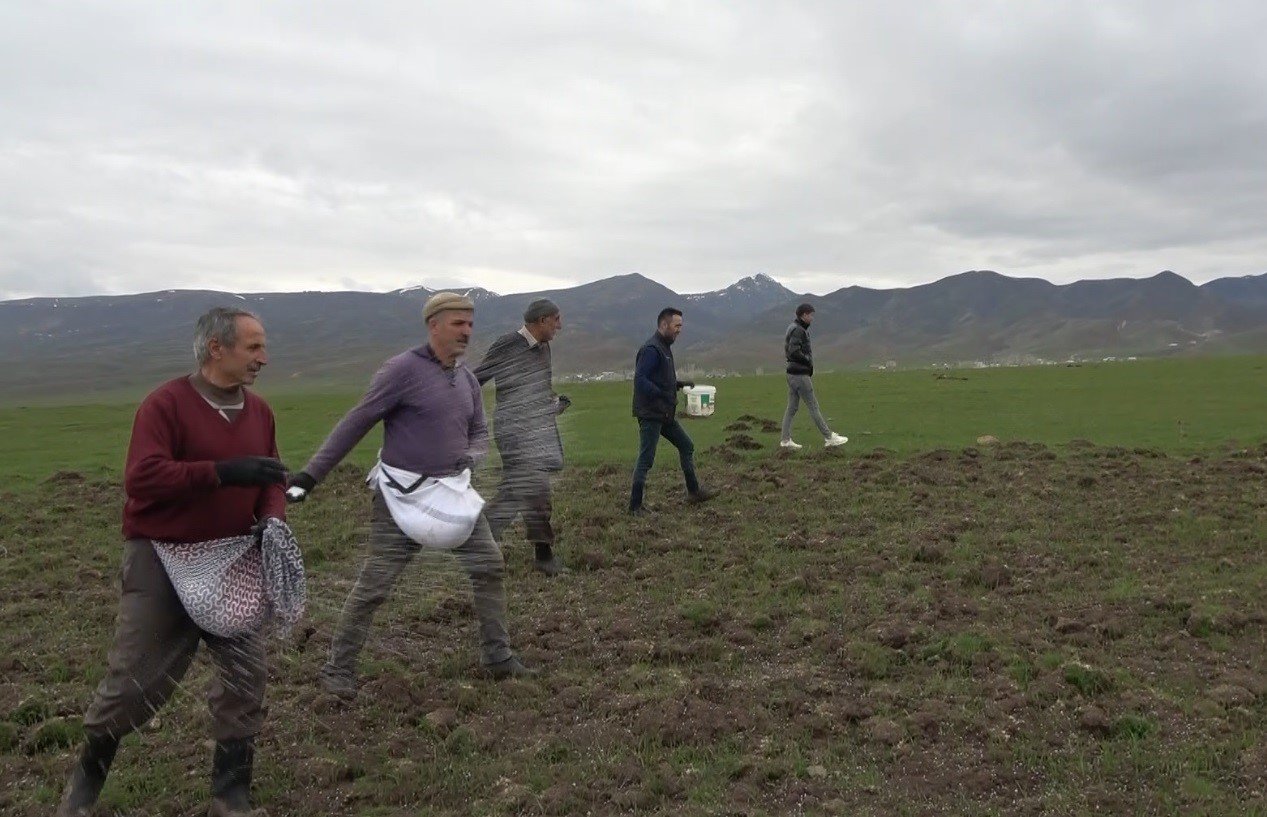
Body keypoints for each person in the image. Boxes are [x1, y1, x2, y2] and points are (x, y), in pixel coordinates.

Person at [57, 307, 286, 817]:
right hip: (161, 556)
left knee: (246, 676)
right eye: (253, 348)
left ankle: (230, 798)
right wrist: (222, 473)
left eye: (262, 347)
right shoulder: (165, 405)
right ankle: (80, 797)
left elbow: (271, 476)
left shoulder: (261, 412)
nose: (263, 359)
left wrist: (272, 520)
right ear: (216, 349)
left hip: (232, 558)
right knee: (133, 678)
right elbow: (142, 478)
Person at [287, 292, 533, 697]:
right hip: (399, 498)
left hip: (452, 496)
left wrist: (471, 457)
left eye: (470, 324)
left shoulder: (467, 379)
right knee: (375, 584)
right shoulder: (401, 370)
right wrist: (311, 476)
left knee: (489, 566)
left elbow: (479, 432)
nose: (467, 332)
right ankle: (338, 671)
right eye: (458, 324)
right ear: (434, 325)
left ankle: (498, 656)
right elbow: (357, 421)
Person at [474, 298, 569, 576]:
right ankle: (543, 556)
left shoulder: (544, 348)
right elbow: (476, 378)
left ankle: (477, 543)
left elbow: (539, 389)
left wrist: (553, 404)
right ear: (542, 321)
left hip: (536, 431)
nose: (559, 326)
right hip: (515, 433)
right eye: (556, 320)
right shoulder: (508, 345)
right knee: (535, 491)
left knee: (517, 492)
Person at [628, 307, 719, 514]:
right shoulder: (651, 349)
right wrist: (662, 393)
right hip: (651, 414)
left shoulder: (664, 347)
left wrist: (677, 384)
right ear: (663, 325)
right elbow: (641, 380)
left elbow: (660, 378)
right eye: (676, 326)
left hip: (665, 413)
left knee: (686, 445)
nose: (679, 330)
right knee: (646, 459)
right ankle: (635, 506)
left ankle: (694, 492)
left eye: (681, 326)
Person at [780, 303, 848, 450]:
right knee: (813, 406)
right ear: (804, 315)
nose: (812, 318)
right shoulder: (798, 330)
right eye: (811, 315)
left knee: (791, 408)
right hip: (800, 375)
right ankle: (829, 437)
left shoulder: (792, 327)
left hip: (791, 374)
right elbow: (793, 351)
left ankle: (785, 440)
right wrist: (808, 360)